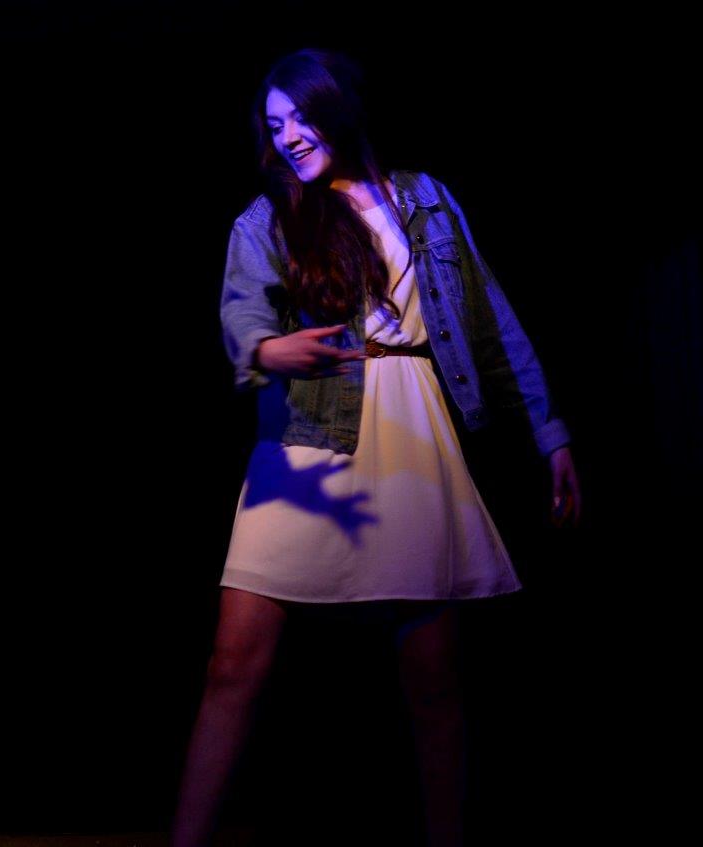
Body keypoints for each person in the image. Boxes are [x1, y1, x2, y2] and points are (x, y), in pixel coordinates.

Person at [171, 49, 581, 847]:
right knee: (233, 662)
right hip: (308, 430)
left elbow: (492, 320)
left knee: (434, 678)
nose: (287, 136)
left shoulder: (425, 199)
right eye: (274, 125)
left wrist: (549, 430)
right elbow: (242, 309)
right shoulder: (269, 215)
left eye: (300, 116)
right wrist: (267, 350)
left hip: (413, 430)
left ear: (339, 107)